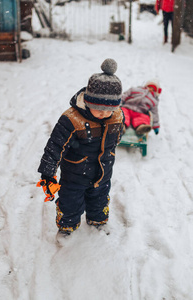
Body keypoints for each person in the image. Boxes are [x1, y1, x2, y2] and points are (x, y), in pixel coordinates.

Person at [37, 58, 125, 239]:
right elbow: (55, 146)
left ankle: (97, 220)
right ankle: (67, 226)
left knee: (99, 198)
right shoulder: (72, 119)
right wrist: (48, 172)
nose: (103, 113)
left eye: (108, 109)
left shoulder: (116, 116)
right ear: (88, 101)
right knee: (70, 202)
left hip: (103, 171)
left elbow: (117, 136)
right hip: (75, 173)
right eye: (98, 108)